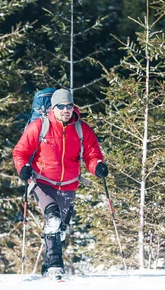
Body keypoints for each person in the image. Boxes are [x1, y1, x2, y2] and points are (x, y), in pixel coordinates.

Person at [12, 88, 108, 278]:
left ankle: (47, 266)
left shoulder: (82, 129)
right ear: (53, 108)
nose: (66, 110)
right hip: (43, 181)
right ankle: (56, 265)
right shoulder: (40, 126)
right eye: (61, 106)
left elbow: (92, 154)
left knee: (61, 227)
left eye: (69, 106)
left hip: (69, 184)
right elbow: (20, 152)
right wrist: (23, 167)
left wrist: (97, 166)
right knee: (53, 218)